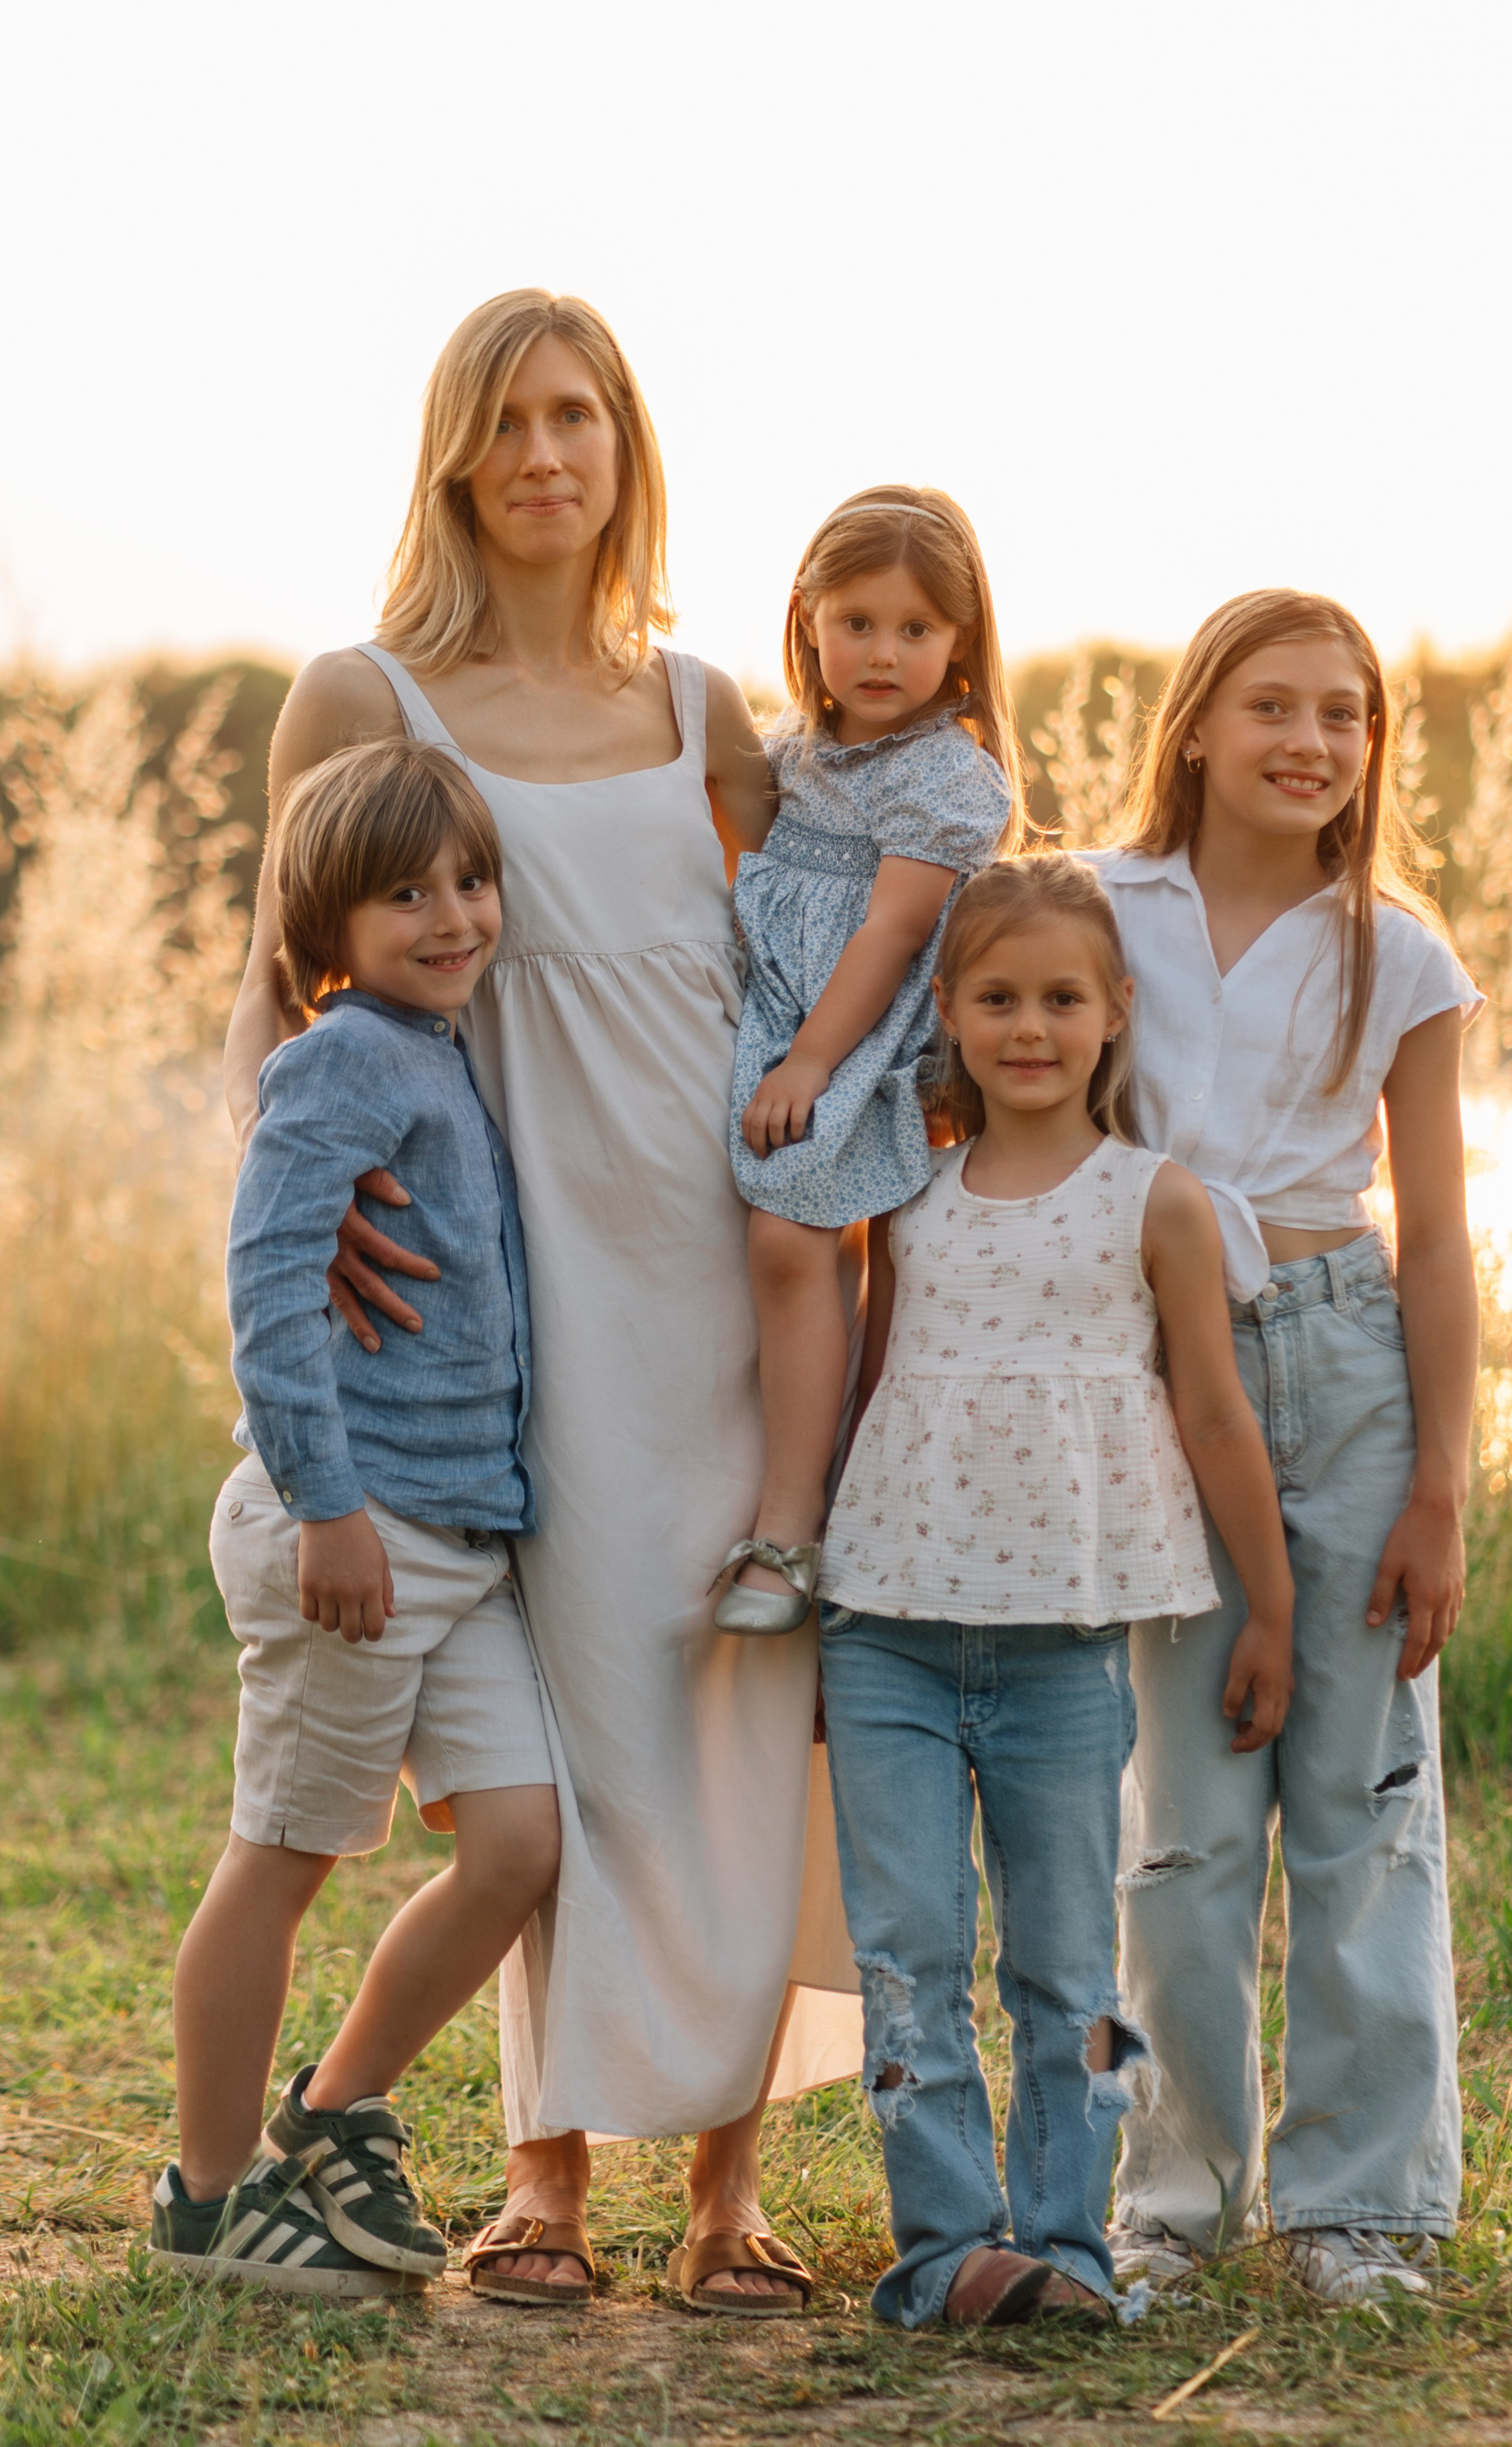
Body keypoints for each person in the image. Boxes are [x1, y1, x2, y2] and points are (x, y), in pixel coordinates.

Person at [223, 289, 860, 2316]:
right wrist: (294, 1207)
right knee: (574, 1726)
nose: (545, 452)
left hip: (721, 1257)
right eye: (505, 420)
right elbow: (268, 990)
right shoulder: (357, 691)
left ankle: (730, 2191)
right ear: (452, 454)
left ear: (624, 443)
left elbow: (827, 974)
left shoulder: (705, 712)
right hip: (512, 1291)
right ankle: (543, 2182)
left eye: (579, 413)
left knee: (744, 1702)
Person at [814, 855, 1296, 2329]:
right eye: (996, 996)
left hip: (1061, 1653)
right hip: (883, 1633)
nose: (1029, 1026)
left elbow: (1214, 1416)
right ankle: (942, 2253)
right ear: (946, 1014)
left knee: (1067, 1963)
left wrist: (1265, 1605)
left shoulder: (1156, 1205)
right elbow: (867, 1380)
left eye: (1061, 999)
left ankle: (1066, 2246)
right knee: (905, 1951)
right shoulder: (904, 1197)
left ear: (1113, 1014)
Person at [1088, 590, 1481, 2305]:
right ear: (1192, 723)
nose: (1309, 739)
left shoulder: (1394, 952)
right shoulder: (1100, 909)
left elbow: (1441, 1237)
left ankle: (1361, 2205)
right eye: (1271, 704)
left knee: (1362, 1794)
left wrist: (1438, 1489)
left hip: (1343, 1358)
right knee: (1175, 1817)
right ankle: (1167, 2198)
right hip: (1154, 1365)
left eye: (1343, 712)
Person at [156, 739, 559, 2296]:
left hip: (459, 1541)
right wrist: (328, 1509)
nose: (453, 917)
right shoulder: (338, 1058)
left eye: (470, 881)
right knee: (284, 1855)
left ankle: (332, 2111)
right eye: (405, 896)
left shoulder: (445, 1044)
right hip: (353, 1537)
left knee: (516, 1846)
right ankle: (204, 2198)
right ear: (328, 928)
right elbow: (267, 1289)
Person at [709, 489, 1022, 1634]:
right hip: (777, 1021)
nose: (884, 653)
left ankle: (791, 1526)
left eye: (917, 629)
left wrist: (807, 1065)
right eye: (858, 622)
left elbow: (892, 937)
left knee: (795, 1237)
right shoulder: (789, 754)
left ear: (962, 646)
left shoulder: (943, 774)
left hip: (862, 1040)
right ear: (807, 619)